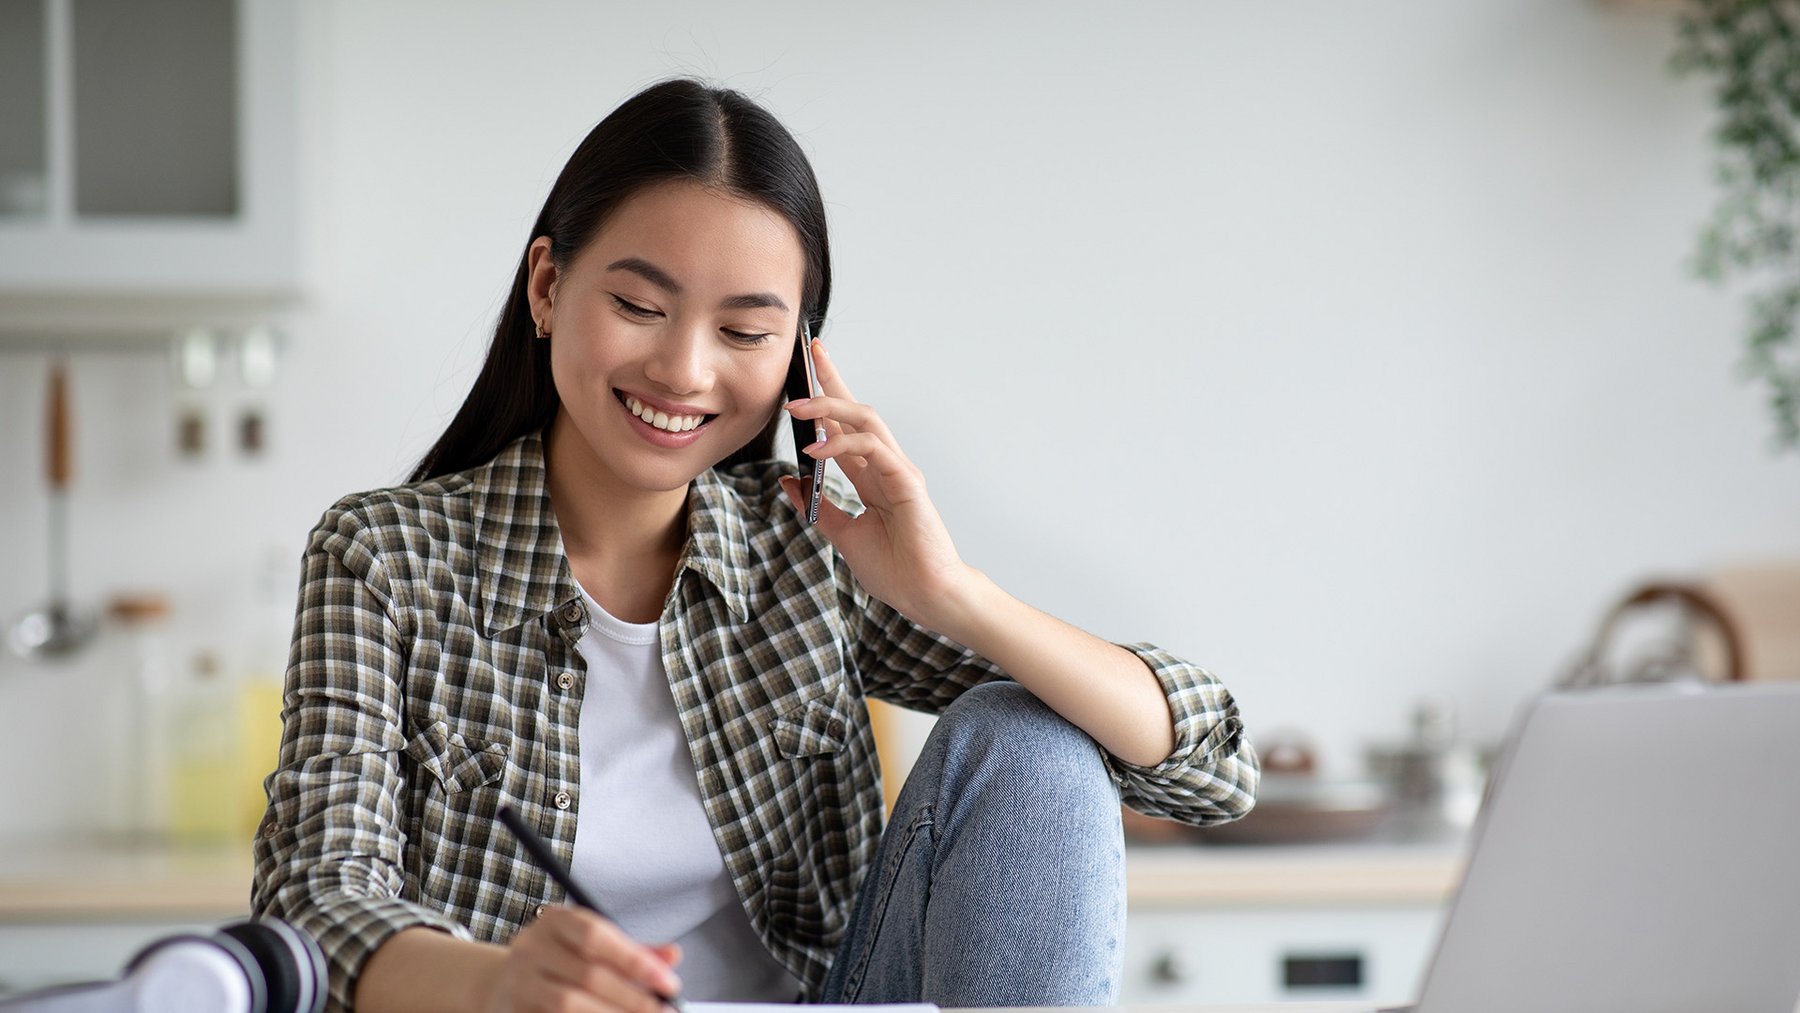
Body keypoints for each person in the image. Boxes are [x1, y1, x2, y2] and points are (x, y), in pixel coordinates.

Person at [251, 77, 1259, 1013]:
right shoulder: (383, 555)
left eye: (743, 332)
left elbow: (1212, 768)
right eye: (639, 306)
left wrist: (951, 589)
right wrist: (501, 982)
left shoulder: (808, 554)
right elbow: (311, 898)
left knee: (1030, 733)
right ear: (549, 286)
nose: (684, 369)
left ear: (798, 357)